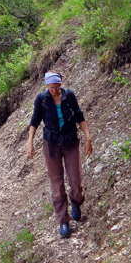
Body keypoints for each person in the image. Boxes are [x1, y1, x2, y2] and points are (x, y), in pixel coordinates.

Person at [27, 71, 93, 239]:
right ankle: (63, 220)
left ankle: (76, 203)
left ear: (61, 86)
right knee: (56, 183)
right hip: (51, 144)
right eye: (51, 88)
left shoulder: (69, 96)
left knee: (75, 180)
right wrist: (30, 142)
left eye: (57, 88)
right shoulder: (42, 99)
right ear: (47, 87)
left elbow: (79, 115)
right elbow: (34, 120)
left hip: (70, 141)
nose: (54, 91)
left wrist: (88, 137)